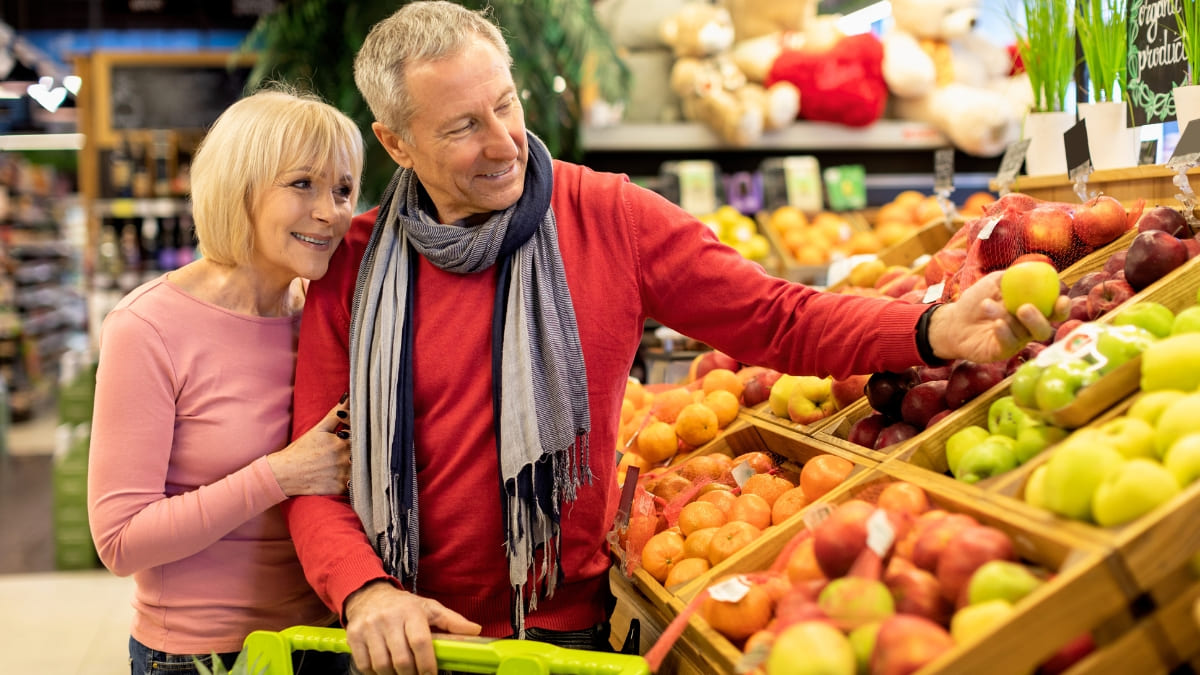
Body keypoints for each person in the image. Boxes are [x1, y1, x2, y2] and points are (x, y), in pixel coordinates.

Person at [285, 3, 1066, 674]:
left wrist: (931, 326)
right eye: (463, 126)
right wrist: (364, 589)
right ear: (395, 144)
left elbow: (777, 316)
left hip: (567, 634)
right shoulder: (353, 267)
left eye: (507, 103)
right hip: (405, 641)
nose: (503, 141)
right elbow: (313, 472)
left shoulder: (609, 218)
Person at [87, 85, 364, 675]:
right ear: (241, 187)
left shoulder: (326, 315)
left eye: (343, 189)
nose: (332, 211)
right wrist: (280, 475)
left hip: (326, 639)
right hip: (201, 656)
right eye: (302, 184)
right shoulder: (148, 327)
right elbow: (119, 539)